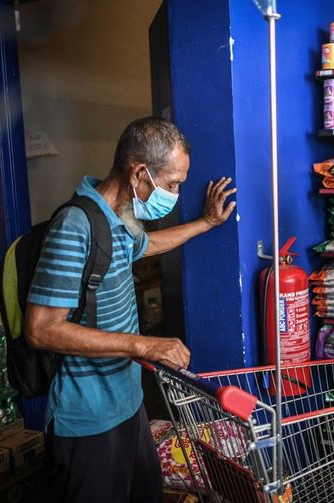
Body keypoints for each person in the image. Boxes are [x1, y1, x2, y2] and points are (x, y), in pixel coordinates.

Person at [24, 117, 236, 502]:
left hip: (127, 405)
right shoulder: (76, 225)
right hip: (88, 419)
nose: (173, 193)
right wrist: (142, 345)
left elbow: (145, 247)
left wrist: (204, 224)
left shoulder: (119, 219)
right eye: (171, 183)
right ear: (140, 173)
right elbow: (41, 328)